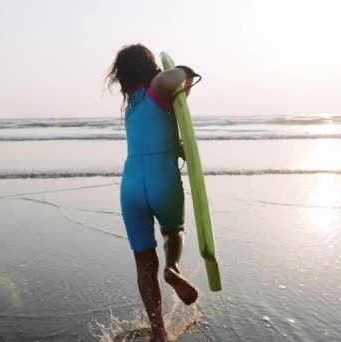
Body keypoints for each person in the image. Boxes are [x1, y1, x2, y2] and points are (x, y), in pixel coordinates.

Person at [106, 44, 199, 342]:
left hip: (131, 186)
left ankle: (158, 332)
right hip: (163, 179)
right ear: (149, 67)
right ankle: (172, 268)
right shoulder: (157, 88)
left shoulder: (131, 103)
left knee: (144, 262)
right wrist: (183, 71)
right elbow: (180, 75)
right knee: (173, 232)